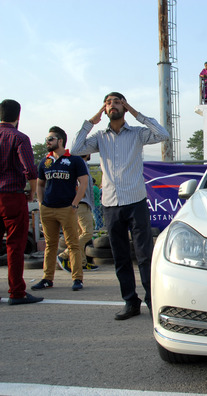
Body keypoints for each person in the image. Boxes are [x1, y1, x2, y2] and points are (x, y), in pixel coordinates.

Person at [71, 92, 170, 320]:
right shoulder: (99, 137)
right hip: (111, 205)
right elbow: (76, 149)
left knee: (145, 256)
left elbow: (162, 134)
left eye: (117, 102)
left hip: (136, 202)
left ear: (124, 107)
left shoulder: (137, 134)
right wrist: (92, 120)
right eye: (108, 103)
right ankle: (130, 302)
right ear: (104, 109)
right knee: (121, 257)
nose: (112, 105)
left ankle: (153, 301)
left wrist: (135, 112)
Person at [31, 126, 88, 292]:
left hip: (67, 208)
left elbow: (83, 183)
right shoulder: (45, 161)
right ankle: (47, 278)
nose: (47, 142)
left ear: (60, 140)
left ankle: (77, 278)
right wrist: (41, 203)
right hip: (48, 209)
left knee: (73, 244)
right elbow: (40, 184)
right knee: (50, 245)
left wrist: (75, 204)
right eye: (47, 139)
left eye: (50, 139)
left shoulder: (74, 160)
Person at [0, 99, 43, 305]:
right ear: (18, 117)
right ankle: (16, 291)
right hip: (11, 195)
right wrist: (32, 193)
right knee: (15, 245)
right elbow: (30, 170)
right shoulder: (19, 137)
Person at [57, 154, 99, 272]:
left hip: (82, 203)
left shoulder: (80, 165)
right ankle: (64, 255)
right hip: (81, 203)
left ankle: (82, 262)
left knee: (81, 233)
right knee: (87, 233)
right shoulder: (79, 165)